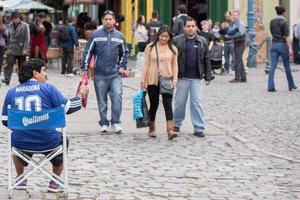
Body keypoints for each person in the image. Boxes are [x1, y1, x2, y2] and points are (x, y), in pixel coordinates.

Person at [1, 58, 89, 192]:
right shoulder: (49, 89)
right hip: (49, 142)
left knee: (17, 136)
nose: (46, 75)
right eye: (44, 71)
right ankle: (55, 181)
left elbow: (5, 120)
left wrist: (26, 126)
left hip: (21, 143)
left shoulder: (12, 92)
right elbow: (69, 108)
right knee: (62, 140)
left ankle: (20, 179)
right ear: (35, 73)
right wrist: (80, 94)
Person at [82, 10, 129, 133]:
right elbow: (88, 52)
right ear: (102, 21)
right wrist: (85, 68)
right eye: (106, 19)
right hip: (99, 74)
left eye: (110, 19)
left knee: (117, 97)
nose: (108, 21)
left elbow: (125, 53)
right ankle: (103, 123)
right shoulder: (96, 35)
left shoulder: (120, 36)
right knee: (102, 100)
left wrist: (122, 66)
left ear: (114, 21)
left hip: (115, 74)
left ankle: (115, 122)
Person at [172, 17, 214, 137]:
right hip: (182, 77)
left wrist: (208, 76)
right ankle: (177, 123)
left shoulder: (202, 41)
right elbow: (172, 59)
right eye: (188, 26)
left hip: (197, 77)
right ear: (184, 28)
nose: (190, 28)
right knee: (180, 102)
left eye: (192, 26)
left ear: (196, 27)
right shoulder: (176, 41)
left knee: (196, 102)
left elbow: (206, 59)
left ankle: (199, 127)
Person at [141, 26, 178, 139]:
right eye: (162, 36)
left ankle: (170, 130)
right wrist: (143, 80)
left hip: (167, 78)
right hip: (152, 79)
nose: (164, 38)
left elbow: (175, 65)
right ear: (158, 36)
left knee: (168, 104)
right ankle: (152, 128)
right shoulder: (150, 47)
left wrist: (175, 79)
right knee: (154, 104)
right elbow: (146, 65)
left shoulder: (173, 49)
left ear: (169, 37)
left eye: (166, 36)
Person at [268, 6, 297, 92]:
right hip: (282, 45)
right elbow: (286, 36)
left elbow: (272, 32)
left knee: (272, 66)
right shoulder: (284, 21)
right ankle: (291, 85)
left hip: (273, 45)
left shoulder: (272, 21)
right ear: (283, 12)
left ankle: (270, 86)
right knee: (287, 66)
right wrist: (290, 48)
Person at [1, 11, 30, 86]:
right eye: (13, 18)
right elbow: (8, 37)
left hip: (21, 49)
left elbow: (27, 38)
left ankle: (23, 80)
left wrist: (25, 49)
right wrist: (7, 48)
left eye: (16, 18)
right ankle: (7, 79)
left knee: (22, 65)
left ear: (19, 18)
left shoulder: (25, 25)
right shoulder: (9, 25)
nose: (15, 20)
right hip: (11, 49)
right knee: (8, 64)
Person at [227, 10, 247, 83]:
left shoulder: (240, 23)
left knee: (237, 61)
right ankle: (243, 77)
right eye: (233, 15)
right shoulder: (235, 24)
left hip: (240, 43)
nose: (234, 17)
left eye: (236, 15)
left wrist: (231, 36)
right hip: (237, 43)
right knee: (239, 60)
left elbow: (241, 33)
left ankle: (237, 78)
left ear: (239, 16)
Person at [0, 12, 8, 87]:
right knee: (0, 62)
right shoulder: (3, 26)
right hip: (1, 45)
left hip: (1, 45)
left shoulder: (3, 26)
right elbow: (6, 35)